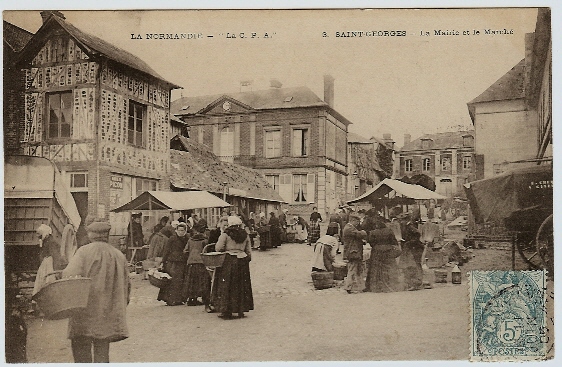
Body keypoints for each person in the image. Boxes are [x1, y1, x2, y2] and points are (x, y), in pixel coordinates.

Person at [62, 221, 129, 363]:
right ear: (107, 235)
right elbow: (127, 286)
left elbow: (69, 276)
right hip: (107, 313)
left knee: (81, 349)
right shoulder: (119, 255)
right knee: (102, 350)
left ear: (90, 235)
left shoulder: (84, 252)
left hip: (85, 311)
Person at [212, 216, 254, 319]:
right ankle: (241, 310)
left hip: (229, 261)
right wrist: (246, 259)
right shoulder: (245, 234)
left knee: (227, 286)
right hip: (242, 261)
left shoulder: (225, 234)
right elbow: (248, 250)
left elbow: (218, 248)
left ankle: (226, 311)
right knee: (241, 286)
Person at [364, 221, 402, 293]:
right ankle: (391, 285)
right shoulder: (389, 231)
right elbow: (393, 241)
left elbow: (371, 243)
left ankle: (375, 287)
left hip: (376, 252)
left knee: (375, 269)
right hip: (388, 251)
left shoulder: (373, 232)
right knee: (389, 268)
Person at [158, 222, 190, 306]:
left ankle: (179, 299)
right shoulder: (172, 239)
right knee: (172, 281)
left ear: (185, 231)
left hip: (183, 262)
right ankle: (170, 299)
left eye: (182, 230)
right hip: (173, 263)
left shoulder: (187, 239)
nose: (181, 232)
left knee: (181, 281)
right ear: (176, 231)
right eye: (179, 230)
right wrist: (163, 262)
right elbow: (166, 251)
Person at [33, 224, 68, 295]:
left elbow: (55, 256)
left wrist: (55, 270)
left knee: (48, 279)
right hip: (46, 263)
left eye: (41, 235)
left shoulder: (51, 242)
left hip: (49, 264)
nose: (40, 238)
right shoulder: (46, 241)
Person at [182, 222, 211, 307]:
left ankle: (192, 299)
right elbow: (206, 251)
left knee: (192, 281)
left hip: (191, 262)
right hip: (202, 262)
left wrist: (191, 255)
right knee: (203, 281)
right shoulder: (205, 240)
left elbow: (185, 251)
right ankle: (204, 298)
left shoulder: (190, 240)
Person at [399, 213, 425, 291]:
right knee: (411, 264)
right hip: (411, 247)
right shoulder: (406, 226)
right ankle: (413, 282)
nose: (401, 222)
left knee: (416, 264)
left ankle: (418, 282)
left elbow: (417, 234)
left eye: (403, 220)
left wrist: (409, 242)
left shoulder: (410, 227)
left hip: (415, 248)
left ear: (407, 220)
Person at [343, 214, 367, 294]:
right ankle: (348, 287)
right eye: (357, 222)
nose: (358, 223)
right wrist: (364, 232)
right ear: (352, 220)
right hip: (353, 252)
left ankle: (362, 287)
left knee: (359, 270)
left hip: (355, 252)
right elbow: (360, 234)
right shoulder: (349, 228)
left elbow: (356, 237)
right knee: (352, 270)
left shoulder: (351, 227)